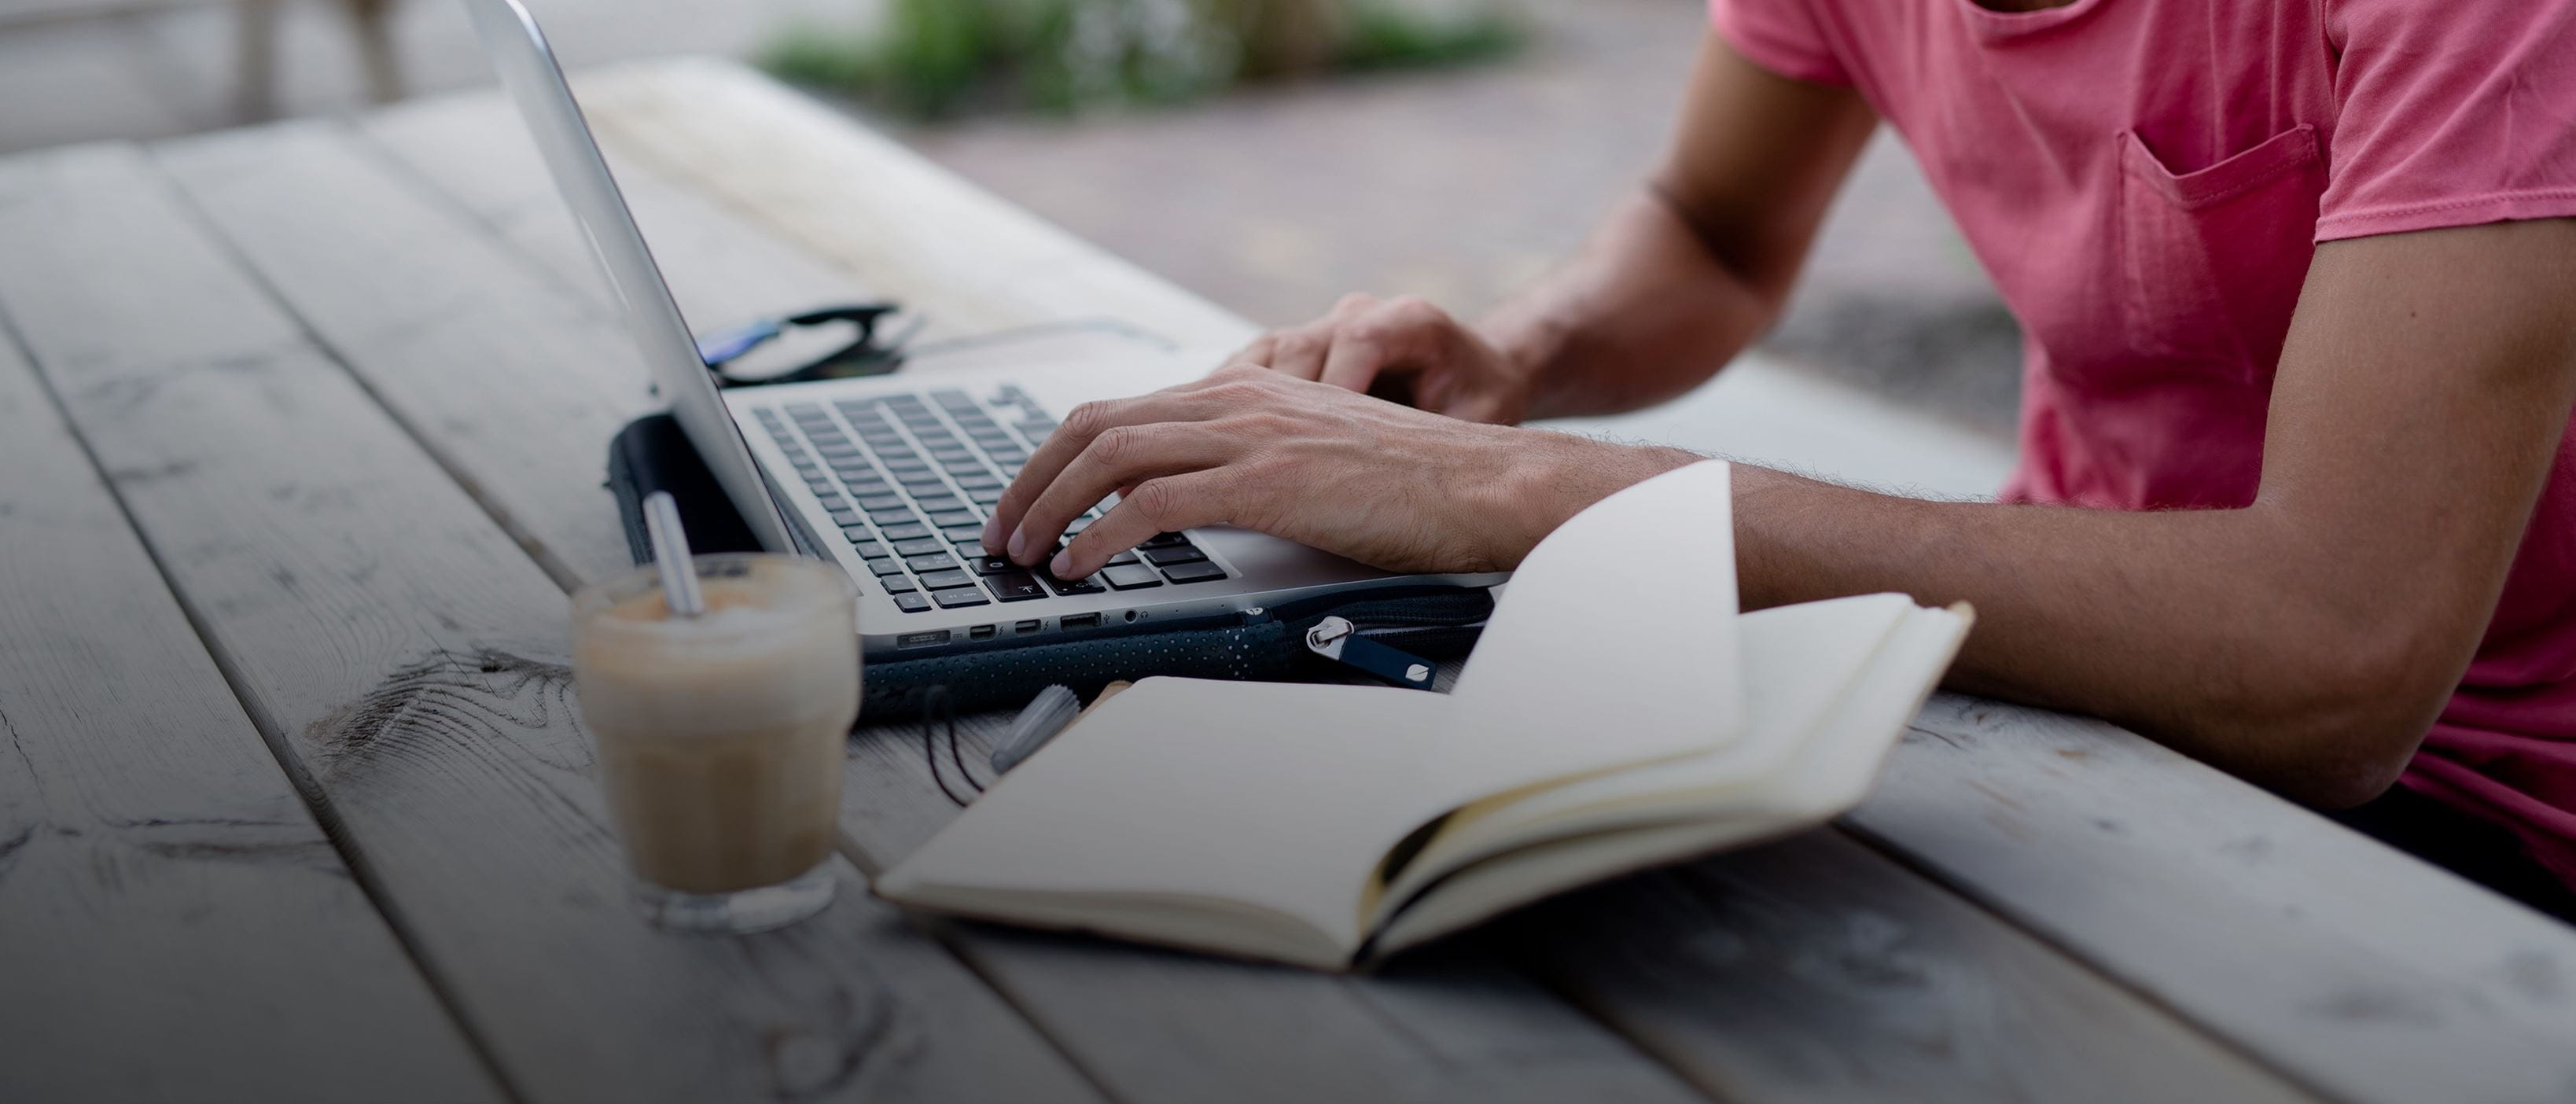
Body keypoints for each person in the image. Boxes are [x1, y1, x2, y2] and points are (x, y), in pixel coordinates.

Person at [981, 0, 2576, 916]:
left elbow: (2341, 659)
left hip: (2481, 805)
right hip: (2061, 683)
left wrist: (1527, 492)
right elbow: (1713, 228)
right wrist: (1513, 361)